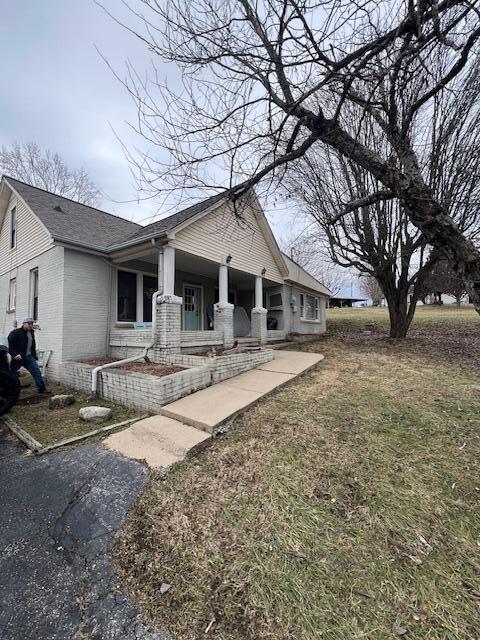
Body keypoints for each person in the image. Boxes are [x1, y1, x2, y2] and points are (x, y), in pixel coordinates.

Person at [8, 318, 48, 394]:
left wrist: (34, 355)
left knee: (37, 373)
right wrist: (14, 354)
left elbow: (32, 345)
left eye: (31, 324)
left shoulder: (31, 333)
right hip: (18, 358)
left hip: (29, 357)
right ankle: (8, 392)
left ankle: (42, 391)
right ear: (23, 323)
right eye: (29, 323)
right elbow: (9, 345)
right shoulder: (16, 333)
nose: (30, 325)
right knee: (11, 375)